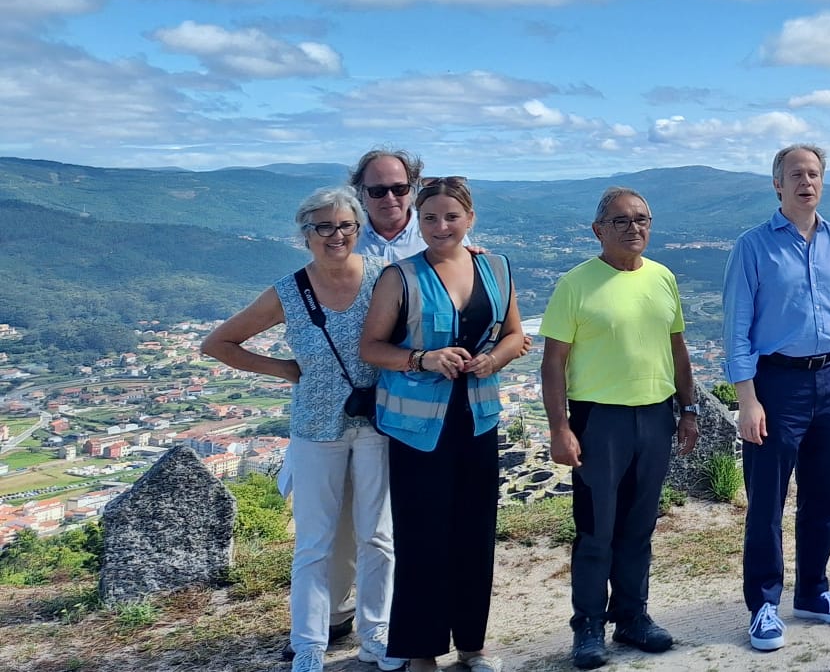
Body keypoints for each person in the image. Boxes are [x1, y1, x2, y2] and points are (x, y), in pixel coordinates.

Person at [202, 187, 395, 672]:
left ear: (358, 229)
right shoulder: (290, 290)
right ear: (305, 234)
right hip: (316, 426)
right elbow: (219, 343)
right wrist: (284, 369)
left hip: (376, 423)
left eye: (346, 226)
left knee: (378, 536)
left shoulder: (382, 279)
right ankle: (308, 643)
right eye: (323, 227)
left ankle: (378, 634)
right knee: (315, 540)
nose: (336, 235)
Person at [359, 176, 531, 672]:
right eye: (429, 217)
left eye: (451, 217)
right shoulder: (400, 277)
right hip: (418, 430)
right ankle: (421, 651)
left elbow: (516, 334)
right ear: (419, 220)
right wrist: (422, 359)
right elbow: (371, 348)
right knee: (421, 539)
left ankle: (473, 646)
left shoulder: (496, 267)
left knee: (475, 535)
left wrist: (493, 360)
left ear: (469, 219)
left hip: (477, 420)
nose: (440, 226)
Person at [723, 145, 830, 652]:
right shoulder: (752, 246)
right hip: (776, 383)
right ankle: (764, 604)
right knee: (767, 499)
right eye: (796, 175)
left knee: (825, 494)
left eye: (813, 174)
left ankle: (813, 591)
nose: (806, 182)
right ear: (777, 184)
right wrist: (747, 399)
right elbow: (736, 327)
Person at [541, 187, 700, 669]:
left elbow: (677, 350)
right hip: (598, 419)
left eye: (642, 219)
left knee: (639, 526)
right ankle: (588, 626)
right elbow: (553, 362)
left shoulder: (663, 278)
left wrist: (688, 410)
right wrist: (559, 429)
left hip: (654, 415)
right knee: (595, 529)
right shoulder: (575, 284)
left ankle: (632, 617)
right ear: (598, 230)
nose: (634, 228)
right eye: (621, 221)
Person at [352, 149, 426, 264]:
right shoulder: (346, 237)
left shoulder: (437, 231)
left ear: (412, 190)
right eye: (378, 191)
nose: (390, 197)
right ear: (361, 193)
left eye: (399, 189)